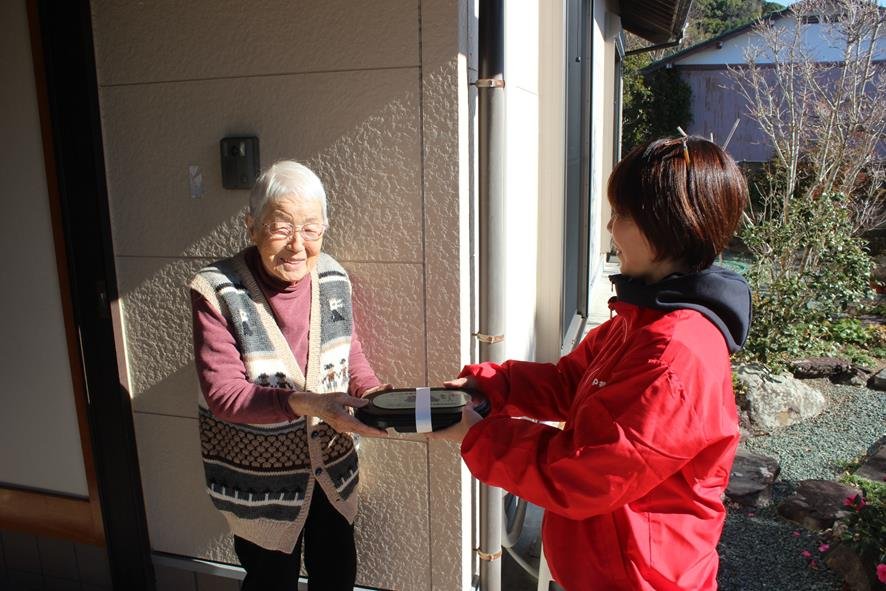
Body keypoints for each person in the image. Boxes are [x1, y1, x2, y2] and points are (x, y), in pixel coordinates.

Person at [433, 137, 752, 590]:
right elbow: (569, 384)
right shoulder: (642, 318)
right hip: (607, 567)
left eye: (622, 214)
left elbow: (586, 473)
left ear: (667, 225)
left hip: (640, 578)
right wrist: (491, 387)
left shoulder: (673, 355)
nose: (609, 226)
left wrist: (481, 434)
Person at [190, 160, 389, 591]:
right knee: (270, 582)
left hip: (332, 465)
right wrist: (306, 403)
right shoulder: (218, 290)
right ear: (252, 226)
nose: (298, 245)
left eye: (311, 229)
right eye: (281, 228)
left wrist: (372, 392)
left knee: (336, 576)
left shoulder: (333, 275)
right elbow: (223, 393)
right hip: (260, 483)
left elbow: (346, 347)